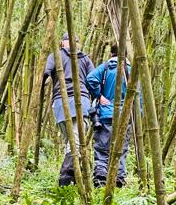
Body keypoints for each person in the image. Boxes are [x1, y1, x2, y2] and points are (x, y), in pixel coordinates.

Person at [42, 33, 94, 186]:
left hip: (62, 103)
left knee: (71, 142)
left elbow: (46, 72)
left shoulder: (58, 56)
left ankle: (70, 178)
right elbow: (93, 79)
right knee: (76, 142)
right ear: (62, 42)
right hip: (79, 102)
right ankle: (66, 177)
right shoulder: (84, 59)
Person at [86, 45, 130, 187]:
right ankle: (119, 179)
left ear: (111, 53)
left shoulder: (107, 67)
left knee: (102, 148)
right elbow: (139, 95)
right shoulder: (131, 70)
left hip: (105, 114)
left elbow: (90, 78)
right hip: (124, 115)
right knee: (121, 149)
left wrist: (99, 96)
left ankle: (100, 179)